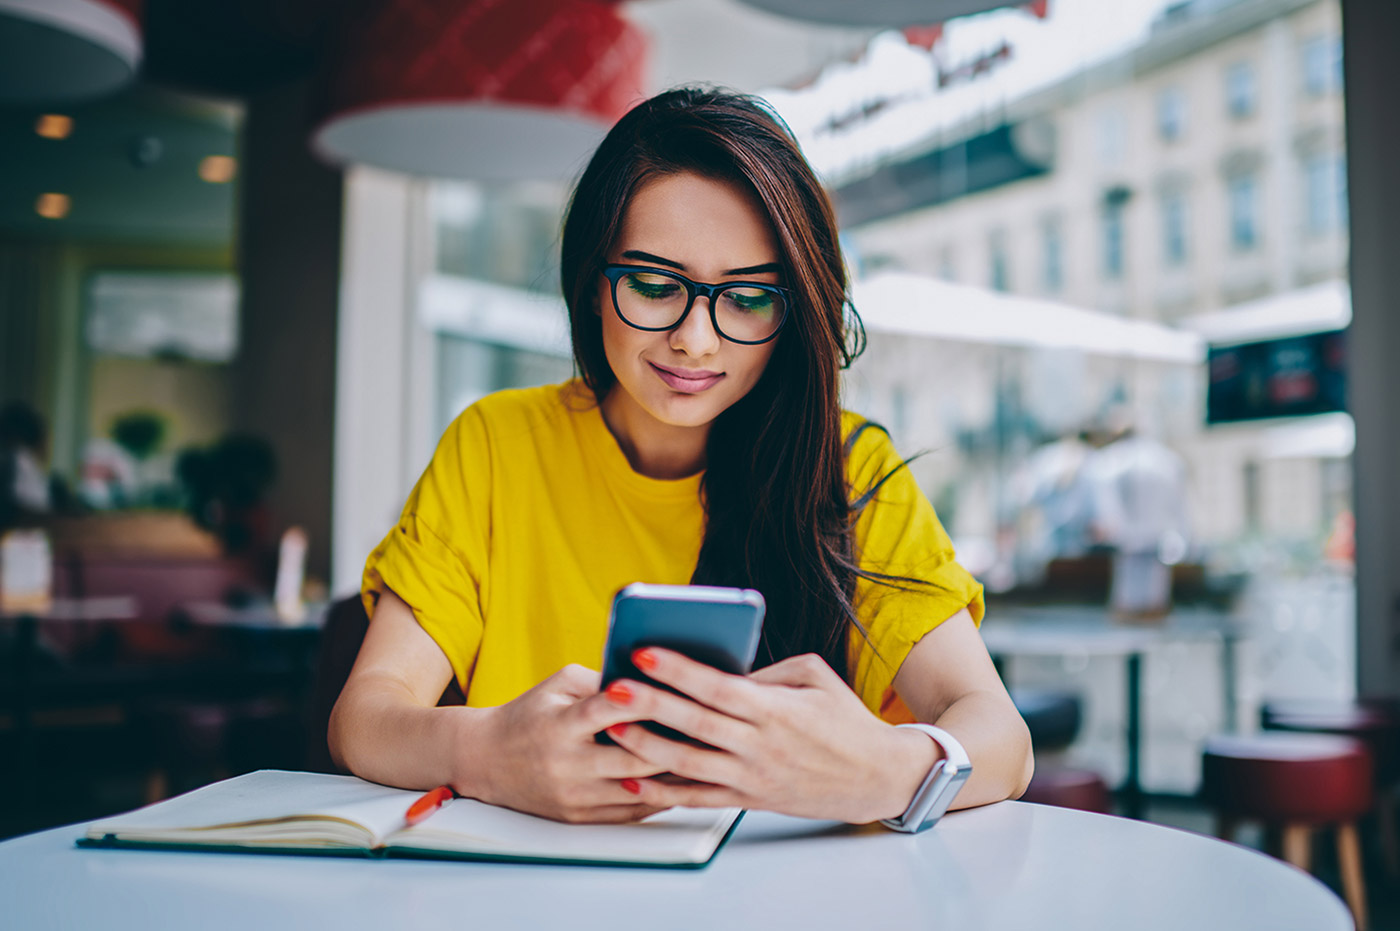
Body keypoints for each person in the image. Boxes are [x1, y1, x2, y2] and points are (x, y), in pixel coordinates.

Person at [330, 87, 1032, 825]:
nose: (697, 339)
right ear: (593, 285)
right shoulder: (497, 445)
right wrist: (485, 750)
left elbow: (1002, 737)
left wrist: (889, 769)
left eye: (748, 298)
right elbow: (364, 717)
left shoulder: (850, 471)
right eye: (657, 286)